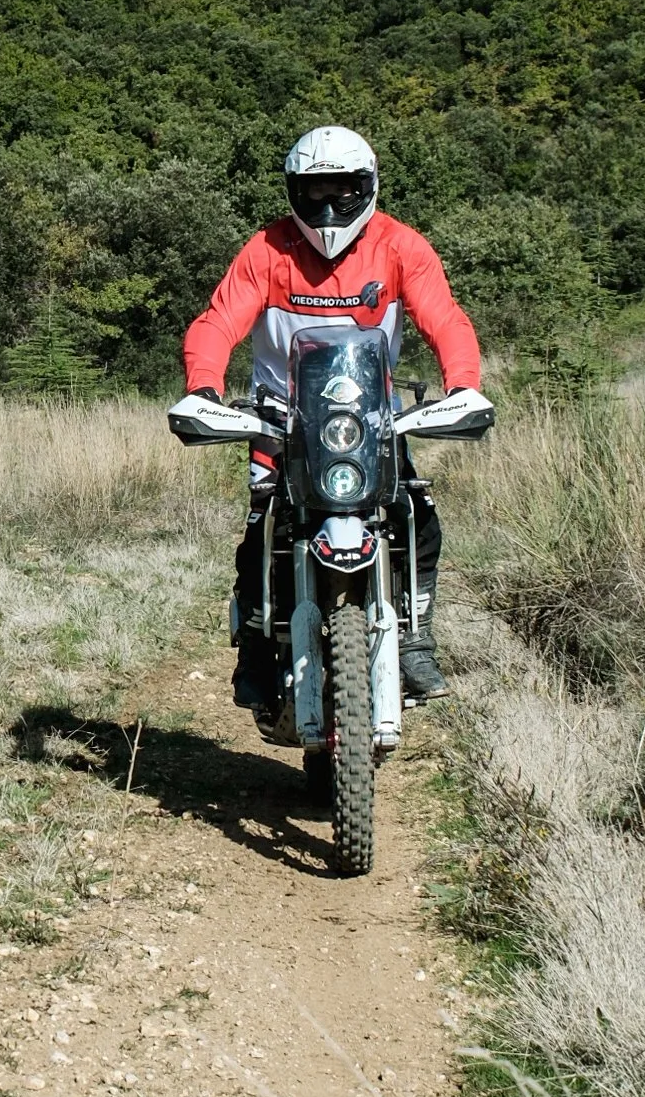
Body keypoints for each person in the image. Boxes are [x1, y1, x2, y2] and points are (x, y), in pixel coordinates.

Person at [182, 124, 483, 709]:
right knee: (261, 527)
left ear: (366, 186)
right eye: (313, 191)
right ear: (294, 191)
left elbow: (445, 318)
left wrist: (464, 387)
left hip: (369, 418)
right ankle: (254, 647)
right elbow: (217, 321)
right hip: (281, 419)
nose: (326, 205)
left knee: (415, 515)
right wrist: (204, 390)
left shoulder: (400, 246)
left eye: (341, 190)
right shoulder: (267, 250)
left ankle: (415, 637)